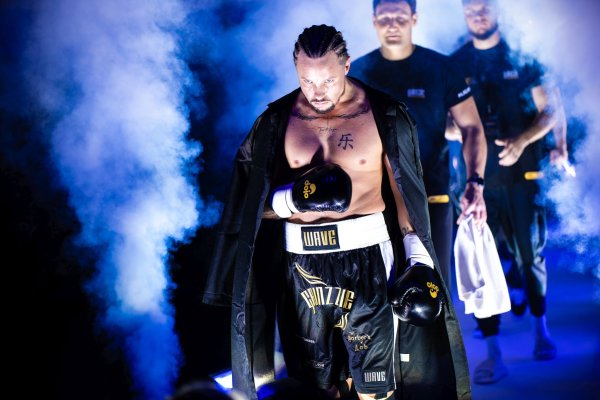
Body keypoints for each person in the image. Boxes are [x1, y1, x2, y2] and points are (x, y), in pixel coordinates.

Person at [203, 25, 471, 400]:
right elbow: (246, 210)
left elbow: (405, 197)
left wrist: (418, 261)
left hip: (369, 263)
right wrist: (292, 200)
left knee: (375, 390)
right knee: (318, 390)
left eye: (328, 80)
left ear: (346, 65)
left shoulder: (384, 115)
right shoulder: (276, 122)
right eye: (307, 81)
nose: (317, 92)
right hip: (301, 267)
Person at [448, 0, 568, 385]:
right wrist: (462, 131)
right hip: (475, 181)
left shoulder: (521, 54)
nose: (478, 15)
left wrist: (526, 140)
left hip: (523, 175)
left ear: (497, 11)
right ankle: (493, 351)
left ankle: (541, 330)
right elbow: (447, 123)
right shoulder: (455, 62)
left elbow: (551, 109)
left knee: (530, 254)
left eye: (484, 7)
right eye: (471, 9)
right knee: (481, 260)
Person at [350, 0, 488, 290]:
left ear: (414, 19)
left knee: (434, 291)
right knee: (380, 293)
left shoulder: (442, 68)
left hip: (432, 195)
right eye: (384, 18)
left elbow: (472, 127)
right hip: (376, 200)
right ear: (374, 21)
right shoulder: (358, 73)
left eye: (400, 17)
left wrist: (475, 183)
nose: (392, 25)